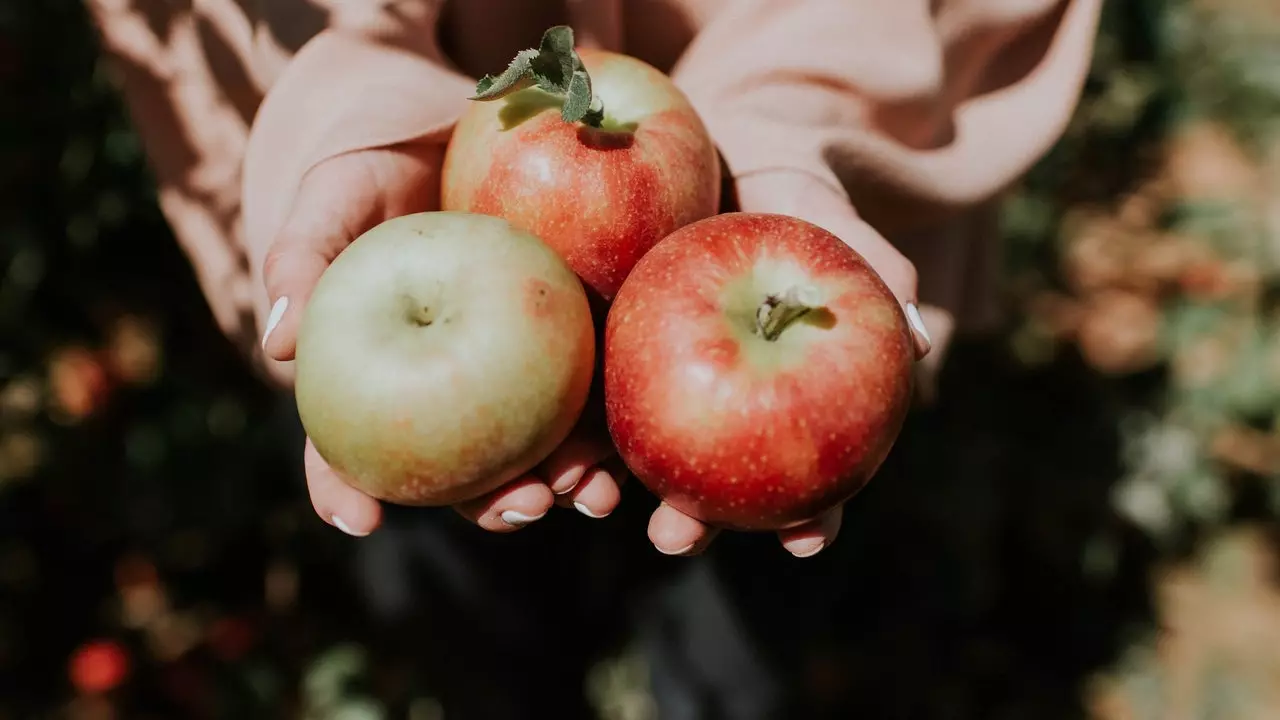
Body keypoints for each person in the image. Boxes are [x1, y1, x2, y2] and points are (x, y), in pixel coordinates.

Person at [86, 0, 1102, 716]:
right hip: (424, 245)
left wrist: (781, 133)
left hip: (768, 230)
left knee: (740, 645)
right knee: (469, 621)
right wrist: (360, 106)